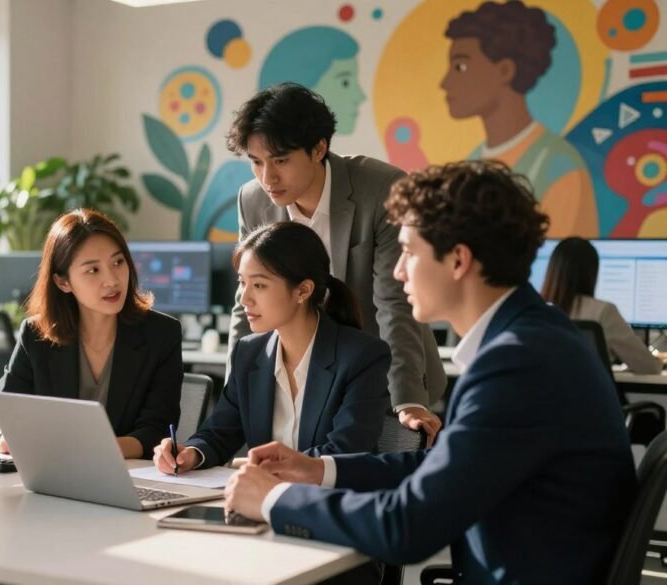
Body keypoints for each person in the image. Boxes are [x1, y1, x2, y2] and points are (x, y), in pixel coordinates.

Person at [224, 160, 636, 583]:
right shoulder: (533, 339)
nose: (398, 270)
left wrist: (276, 499)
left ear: (458, 260)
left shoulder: (518, 362)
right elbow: (443, 465)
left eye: (408, 252)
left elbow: (407, 527)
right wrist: (319, 470)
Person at [228, 82, 446, 443]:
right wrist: (235, 390)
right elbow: (246, 300)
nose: (268, 178)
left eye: (280, 160)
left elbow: (394, 301)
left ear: (319, 149)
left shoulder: (381, 189)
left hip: (382, 376)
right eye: (256, 162)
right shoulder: (253, 201)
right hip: (302, 379)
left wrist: (407, 400)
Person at [153, 222, 390, 474]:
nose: (244, 298)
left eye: (259, 285)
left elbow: (345, 452)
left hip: (332, 503)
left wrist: (266, 469)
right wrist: (191, 453)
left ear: (303, 291)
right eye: (242, 283)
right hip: (265, 501)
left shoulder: (362, 356)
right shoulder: (249, 353)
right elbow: (220, 432)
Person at [0, 209, 182, 459]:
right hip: (53, 477)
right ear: (63, 282)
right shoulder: (36, 335)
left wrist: (87, 451)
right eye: (93, 270)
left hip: (128, 478)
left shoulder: (161, 335)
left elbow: (155, 431)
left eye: (118, 262)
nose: (112, 280)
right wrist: (3, 439)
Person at [442, 0, 597, 238]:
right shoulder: (472, 164)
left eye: (460, 67)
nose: (444, 83)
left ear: (505, 70)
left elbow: (560, 268)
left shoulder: (559, 167)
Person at [541, 237, 663, 374]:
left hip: (542, 393)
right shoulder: (602, 312)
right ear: (591, 273)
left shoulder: (537, 311)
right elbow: (649, 366)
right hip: (590, 393)